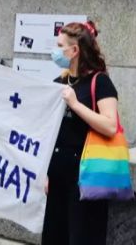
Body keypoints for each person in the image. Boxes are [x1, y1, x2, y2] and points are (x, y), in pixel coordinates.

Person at [42, 21, 119, 245]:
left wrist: (75, 105)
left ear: (74, 51)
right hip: (57, 175)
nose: (55, 51)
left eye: (60, 45)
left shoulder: (100, 81)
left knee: (82, 235)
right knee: (55, 236)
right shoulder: (60, 82)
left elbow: (110, 125)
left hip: (86, 176)